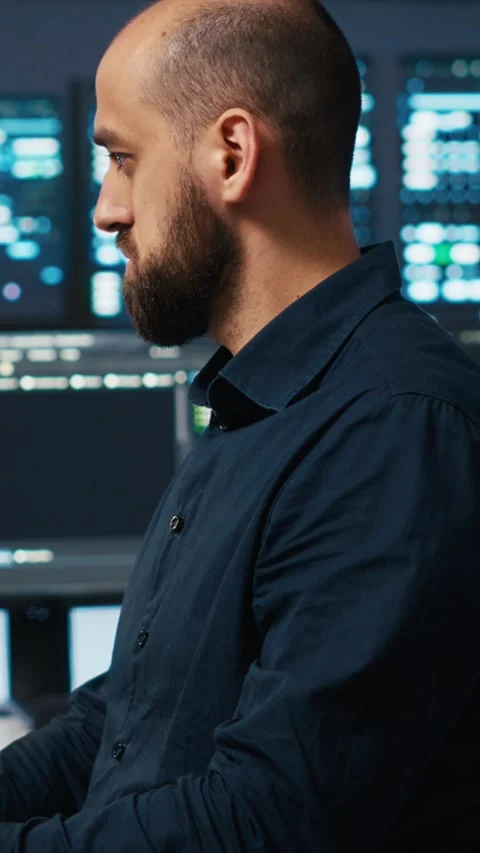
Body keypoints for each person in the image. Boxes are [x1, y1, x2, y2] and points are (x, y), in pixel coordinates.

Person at [1, 0, 480, 849]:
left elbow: (265, 821)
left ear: (232, 153)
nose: (107, 209)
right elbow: (128, 718)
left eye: (122, 159)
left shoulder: (391, 428)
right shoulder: (258, 401)